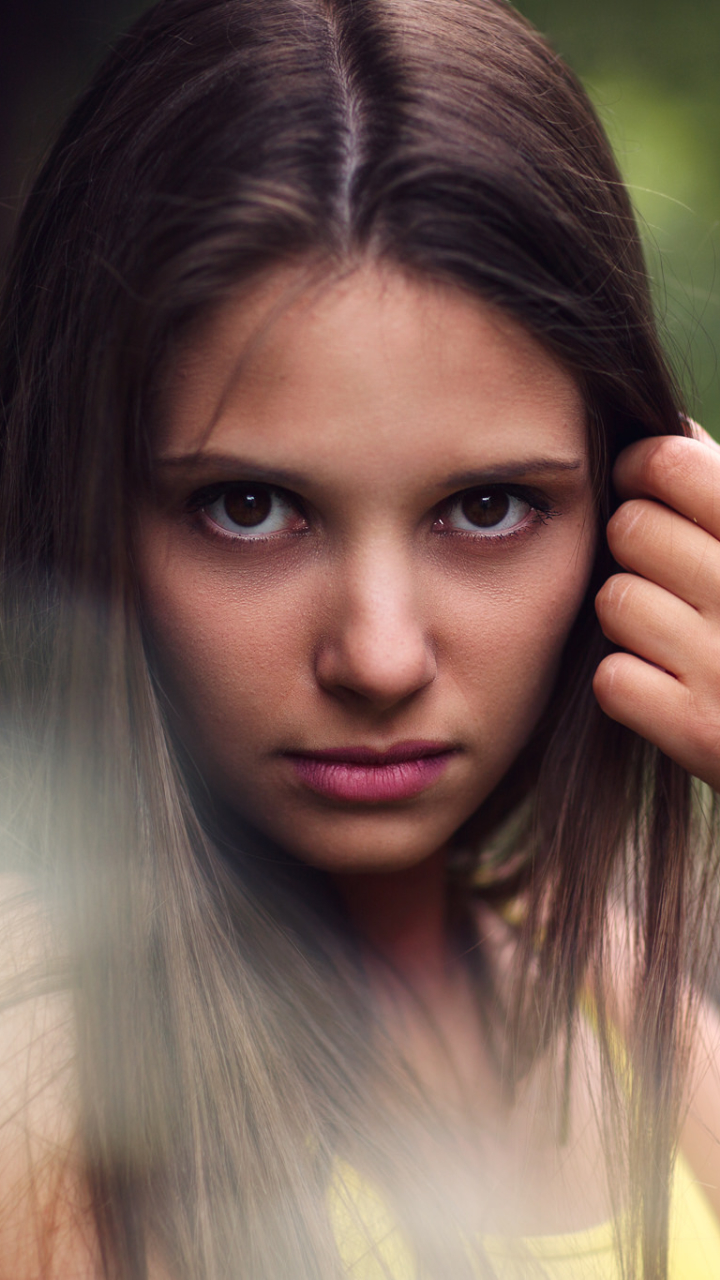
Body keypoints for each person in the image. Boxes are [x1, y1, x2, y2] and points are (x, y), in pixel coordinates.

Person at [2, 0, 720, 1276]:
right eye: (250, 507)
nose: (379, 659)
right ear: (87, 509)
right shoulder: (40, 1086)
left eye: (487, 507)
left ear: (630, 516)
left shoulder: (609, 972)